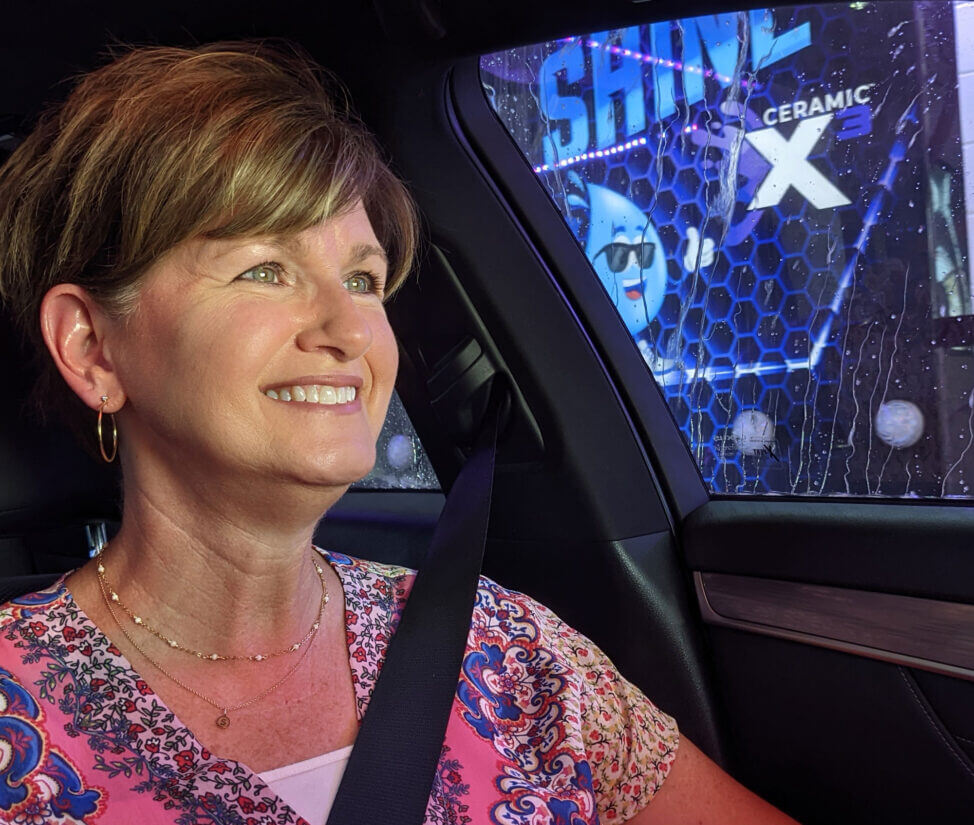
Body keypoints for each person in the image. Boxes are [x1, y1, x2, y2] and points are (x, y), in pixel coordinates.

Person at [0, 42, 799, 825]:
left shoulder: (516, 653)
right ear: (91, 347)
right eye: (263, 269)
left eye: (363, 278)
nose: (350, 327)